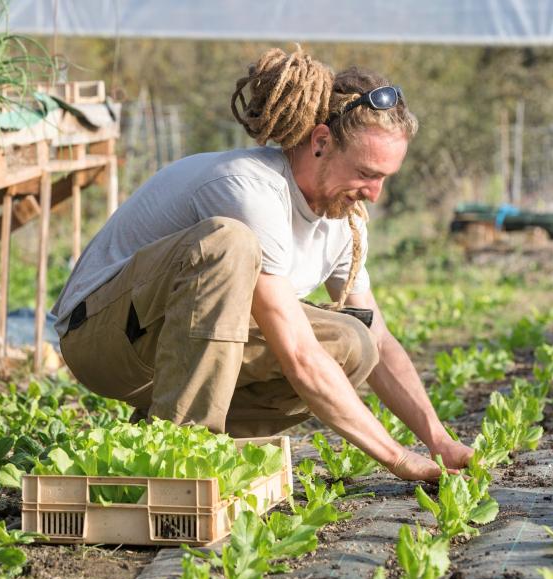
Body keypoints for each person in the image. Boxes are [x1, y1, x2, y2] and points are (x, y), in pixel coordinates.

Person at [52, 46, 473, 481]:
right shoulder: (251, 190)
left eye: (385, 178)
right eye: (367, 173)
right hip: (100, 338)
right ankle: (183, 454)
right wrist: (398, 458)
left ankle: (156, 434)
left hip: (169, 345)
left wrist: (438, 441)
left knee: (354, 342)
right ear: (321, 142)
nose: (375, 192)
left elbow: (380, 343)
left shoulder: (342, 220)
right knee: (230, 245)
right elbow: (298, 353)